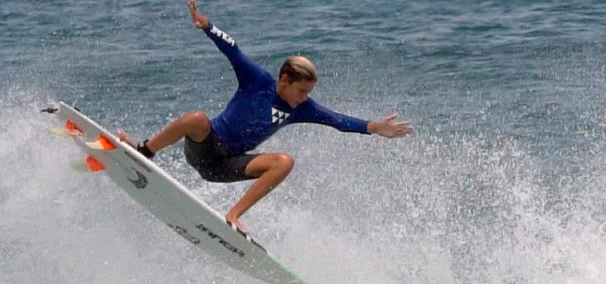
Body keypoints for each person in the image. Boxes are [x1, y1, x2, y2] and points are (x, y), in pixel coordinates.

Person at [118, 0, 412, 236]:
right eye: (301, 90)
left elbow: (337, 120)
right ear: (284, 80)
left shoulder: (302, 108)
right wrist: (207, 26)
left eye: (308, 92)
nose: (305, 97)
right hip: (205, 147)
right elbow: (232, 49)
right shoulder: (257, 80)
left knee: (284, 161)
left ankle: (233, 216)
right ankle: (144, 151)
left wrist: (374, 127)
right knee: (196, 118)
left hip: (228, 165)